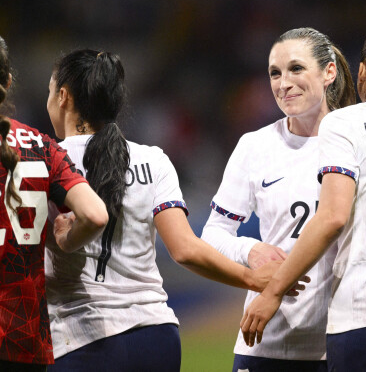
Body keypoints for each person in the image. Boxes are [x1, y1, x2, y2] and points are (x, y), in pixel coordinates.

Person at [203, 27, 366, 372]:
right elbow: (213, 234)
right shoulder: (255, 147)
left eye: (296, 68)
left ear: (329, 72)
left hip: (340, 339)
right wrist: (250, 250)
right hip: (270, 340)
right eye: (274, 73)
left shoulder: (354, 134)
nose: (284, 83)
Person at [44, 49, 291, 372]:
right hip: (156, 337)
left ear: (63, 96)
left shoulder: (42, 161)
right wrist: (250, 278)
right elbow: (185, 249)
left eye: (50, 91)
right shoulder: (152, 160)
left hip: (81, 338)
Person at [0, 37, 108, 372]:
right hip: (24, 339)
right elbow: (94, 214)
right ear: (7, 82)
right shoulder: (42, 146)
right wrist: (64, 239)